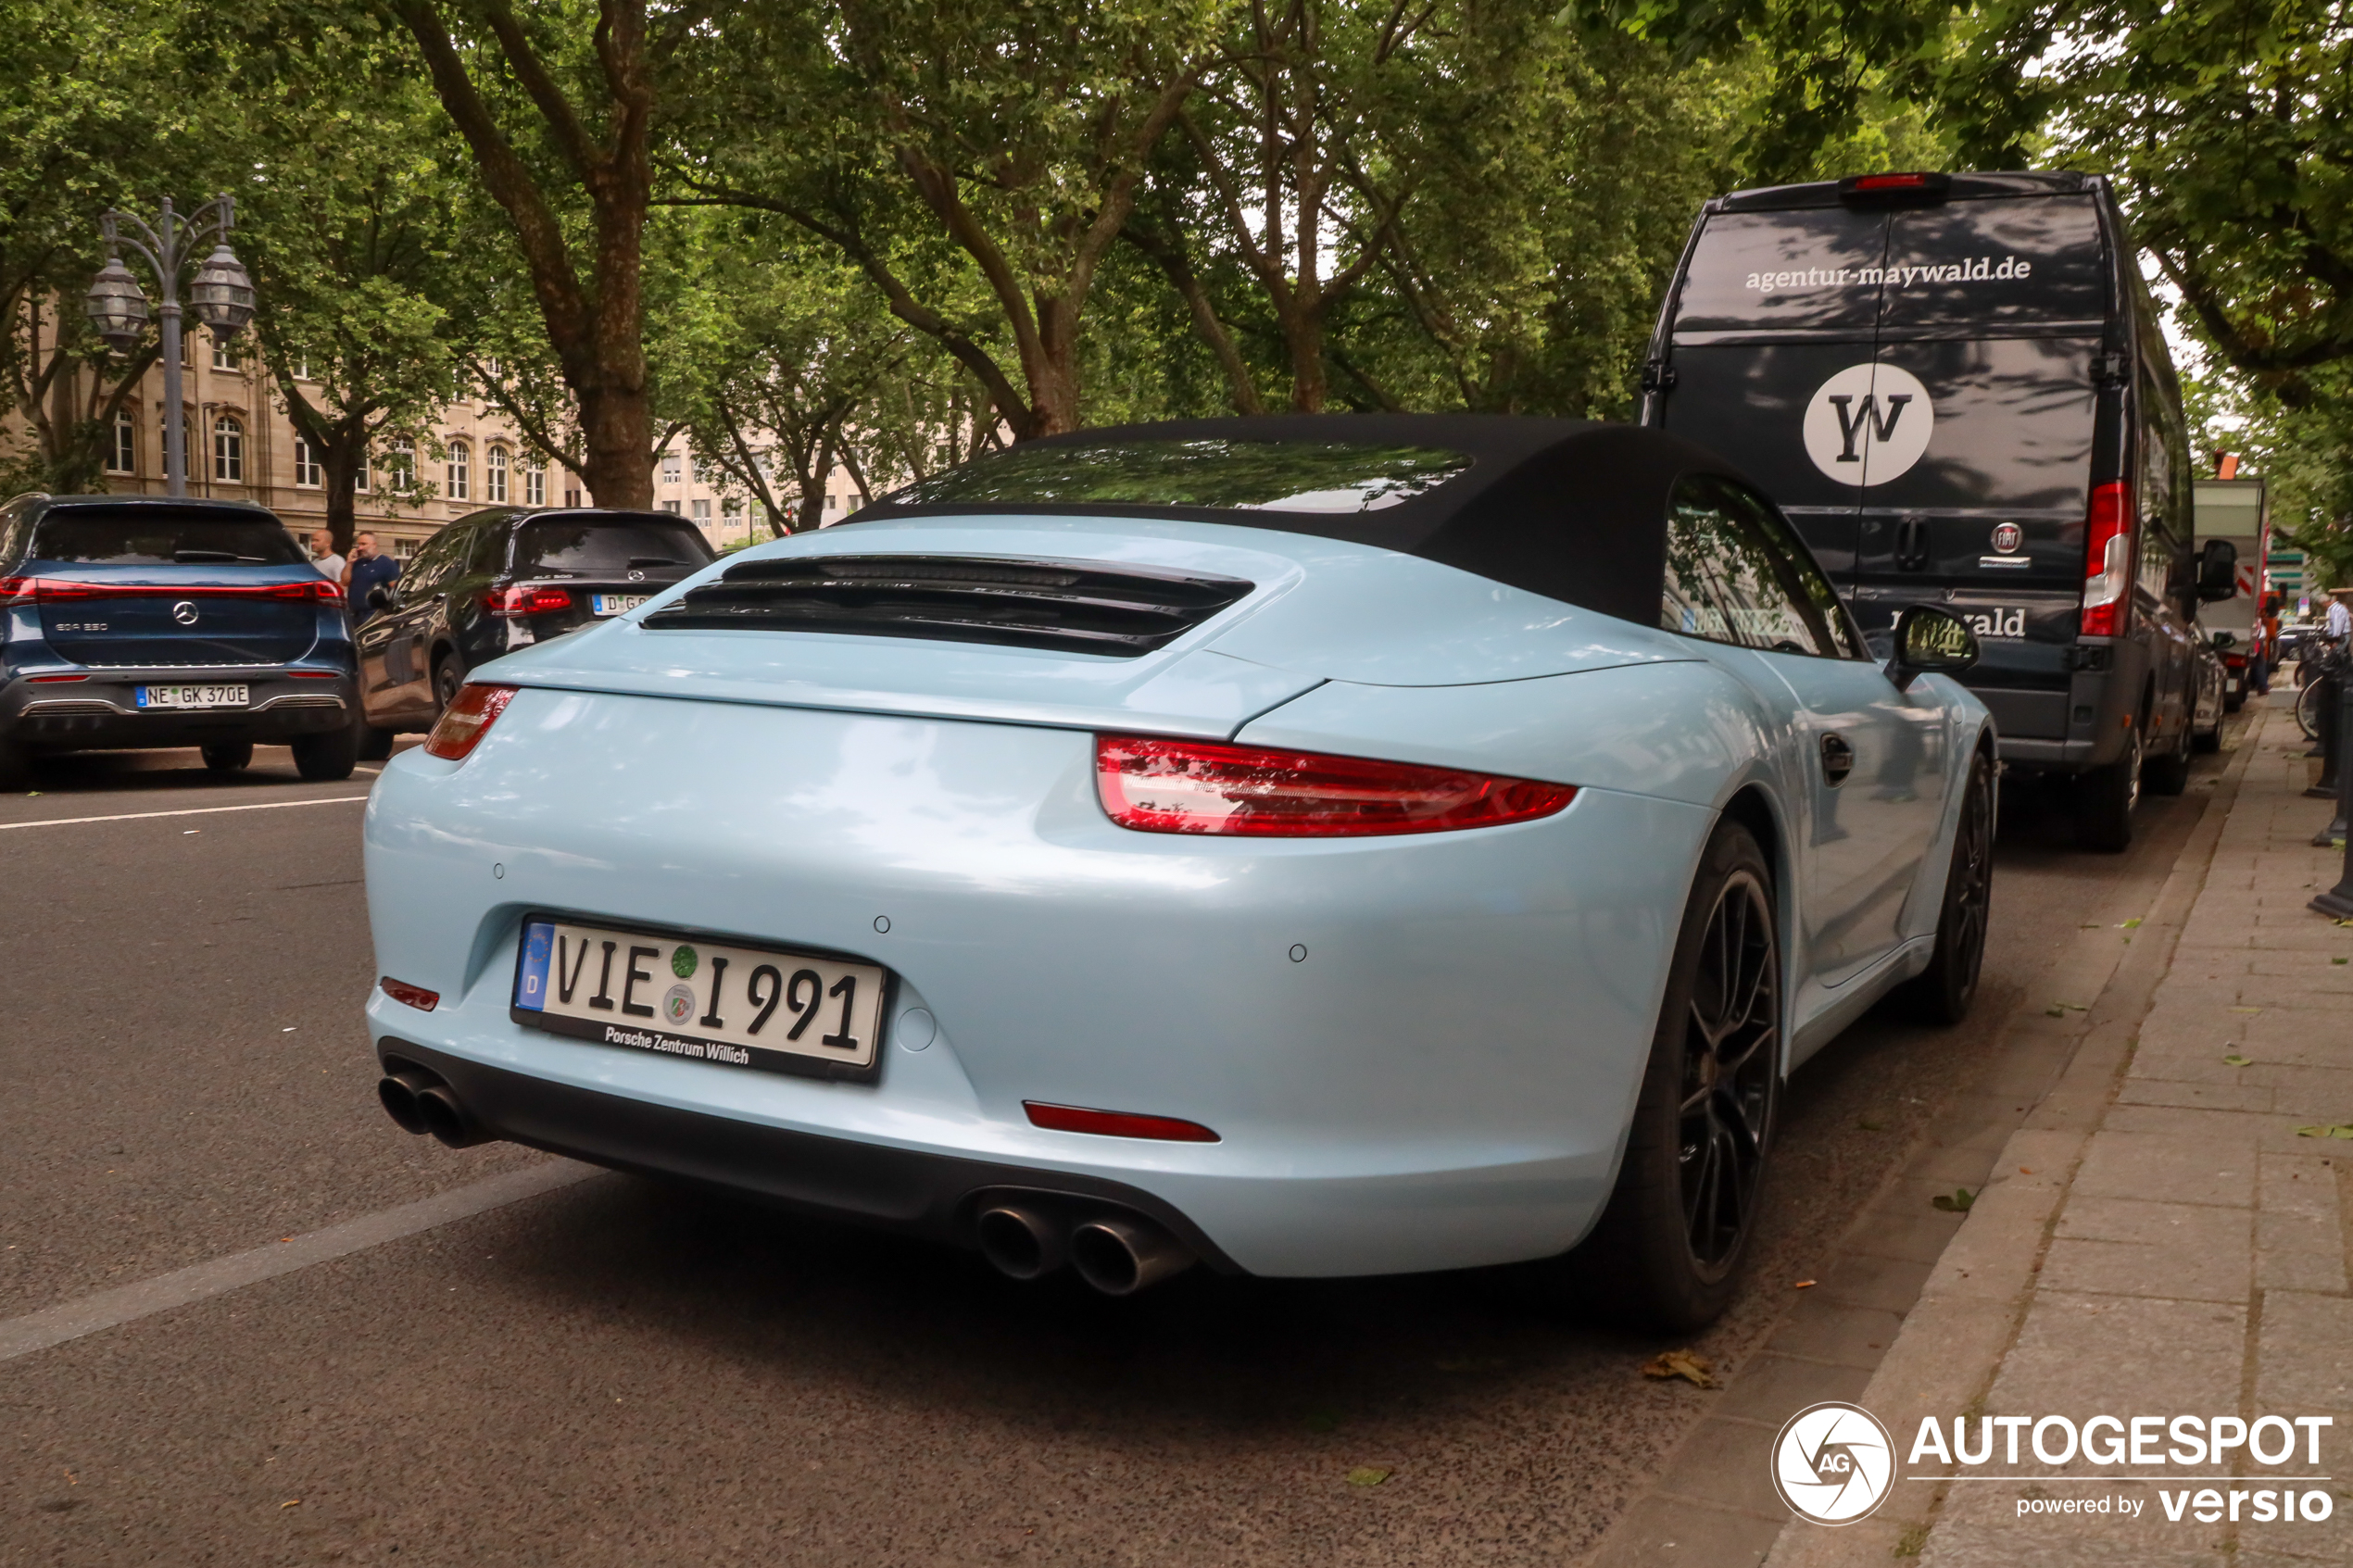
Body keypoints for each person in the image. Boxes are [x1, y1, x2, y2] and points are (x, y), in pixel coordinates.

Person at [346, 531, 399, 620]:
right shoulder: (357, 563)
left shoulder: (387, 564)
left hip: (374, 615)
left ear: (374, 545)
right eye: (358, 545)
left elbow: (395, 590)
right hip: (354, 614)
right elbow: (345, 581)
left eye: (364, 544)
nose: (360, 548)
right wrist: (349, 563)